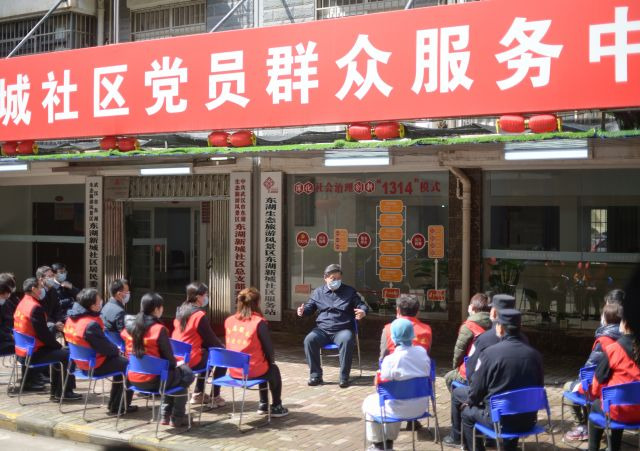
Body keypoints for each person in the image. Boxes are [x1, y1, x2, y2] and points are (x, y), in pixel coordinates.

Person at [460, 309, 544, 451]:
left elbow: (477, 389)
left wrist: (471, 402)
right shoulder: (535, 355)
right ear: (520, 327)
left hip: (499, 421)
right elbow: (539, 387)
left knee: (467, 413)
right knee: (513, 407)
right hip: (529, 420)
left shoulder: (490, 354)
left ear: (500, 327)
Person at [443, 293, 519, 448]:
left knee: (464, 401)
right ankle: (492, 438)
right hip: (522, 414)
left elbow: (473, 374)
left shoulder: (485, 339)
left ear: (494, 313)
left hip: (492, 401)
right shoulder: (527, 346)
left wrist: (472, 399)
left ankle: (457, 436)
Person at [121, 292, 194, 427]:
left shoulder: (129, 327)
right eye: (161, 307)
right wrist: (179, 363)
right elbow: (170, 360)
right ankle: (176, 417)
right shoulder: (158, 329)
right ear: (156, 309)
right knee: (186, 374)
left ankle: (165, 415)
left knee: (172, 377)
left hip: (132, 379)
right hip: (154, 381)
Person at [63, 288, 137, 414]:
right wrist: (117, 350)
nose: (101, 302)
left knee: (120, 363)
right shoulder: (90, 324)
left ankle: (116, 404)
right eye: (99, 301)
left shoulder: (70, 319)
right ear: (92, 306)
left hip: (79, 363)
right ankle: (120, 405)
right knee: (128, 364)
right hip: (93, 365)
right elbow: (105, 348)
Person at [362, 318, 430, 451]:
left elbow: (380, 385)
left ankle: (379, 445)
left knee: (370, 404)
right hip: (420, 407)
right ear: (412, 335)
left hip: (397, 409)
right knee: (392, 401)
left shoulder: (390, 360)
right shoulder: (422, 353)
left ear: (393, 337)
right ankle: (388, 444)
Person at [298, 264, 368, 388]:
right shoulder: (318, 292)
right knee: (309, 340)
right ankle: (315, 375)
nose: (336, 281)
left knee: (347, 339)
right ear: (325, 278)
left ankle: (344, 377)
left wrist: (363, 311)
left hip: (342, 329)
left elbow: (361, 304)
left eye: (338, 278)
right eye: (332, 278)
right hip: (322, 330)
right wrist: (302, 311)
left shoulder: (349, 291)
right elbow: (309, 308)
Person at [564, 296, 623, 442]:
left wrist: (580, 379)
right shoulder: (628, 340)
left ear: (605, 319)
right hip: (621, 390)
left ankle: (583, 426)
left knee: (569, 387)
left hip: (601, 389)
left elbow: (588, 370)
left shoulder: (603, 340)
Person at [13, 277, 81, 400]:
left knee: (61, 352)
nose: (42, 289)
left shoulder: (22, 303)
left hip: (23, 350)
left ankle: (56, 392)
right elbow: (43, 334)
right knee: (67, 354)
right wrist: (57, 345)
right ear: (33, 289)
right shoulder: (35, 308)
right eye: (40, 287)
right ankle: (64, 393)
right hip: (33, 352)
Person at [225, 287, 289, 417]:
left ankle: (263, 404)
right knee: (272, 369)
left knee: (262, 366)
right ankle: (276, 405)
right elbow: (268, 348)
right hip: (251, 370)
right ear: (258, 303)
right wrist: (271, 360)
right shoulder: (259, 322)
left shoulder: (229, 321)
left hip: (234, 370)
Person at [172, 282, 226, 407]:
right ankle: (215, 396)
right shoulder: (199, 315)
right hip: (190, 358)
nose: (206, 298)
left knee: (206, 353)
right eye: (205, 295)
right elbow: (211, 339)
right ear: (198, 297)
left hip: (177, 356)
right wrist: (223, 347)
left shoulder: (180, 310)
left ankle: (198, 393)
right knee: (221, 356)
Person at [444, 293, 491, 391]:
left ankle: (461, 402)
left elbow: (459, 352)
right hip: (490, 372)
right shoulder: (496, 326)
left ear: (473, 307)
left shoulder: (468, 326)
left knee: (449, 377)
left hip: (471, 374)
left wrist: (455, 367)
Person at [379, 293, 432, 361]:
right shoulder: (426, 329)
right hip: (419, 369)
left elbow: (383, 356)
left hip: (393, 368)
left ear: (398, 310)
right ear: (418, 312)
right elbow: (427, 353)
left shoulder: (388, 329)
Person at [0, 278, 15, 355]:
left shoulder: (7, 302)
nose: (7, 297)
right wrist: (10, 336)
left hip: (8, 335)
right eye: (4, 297)